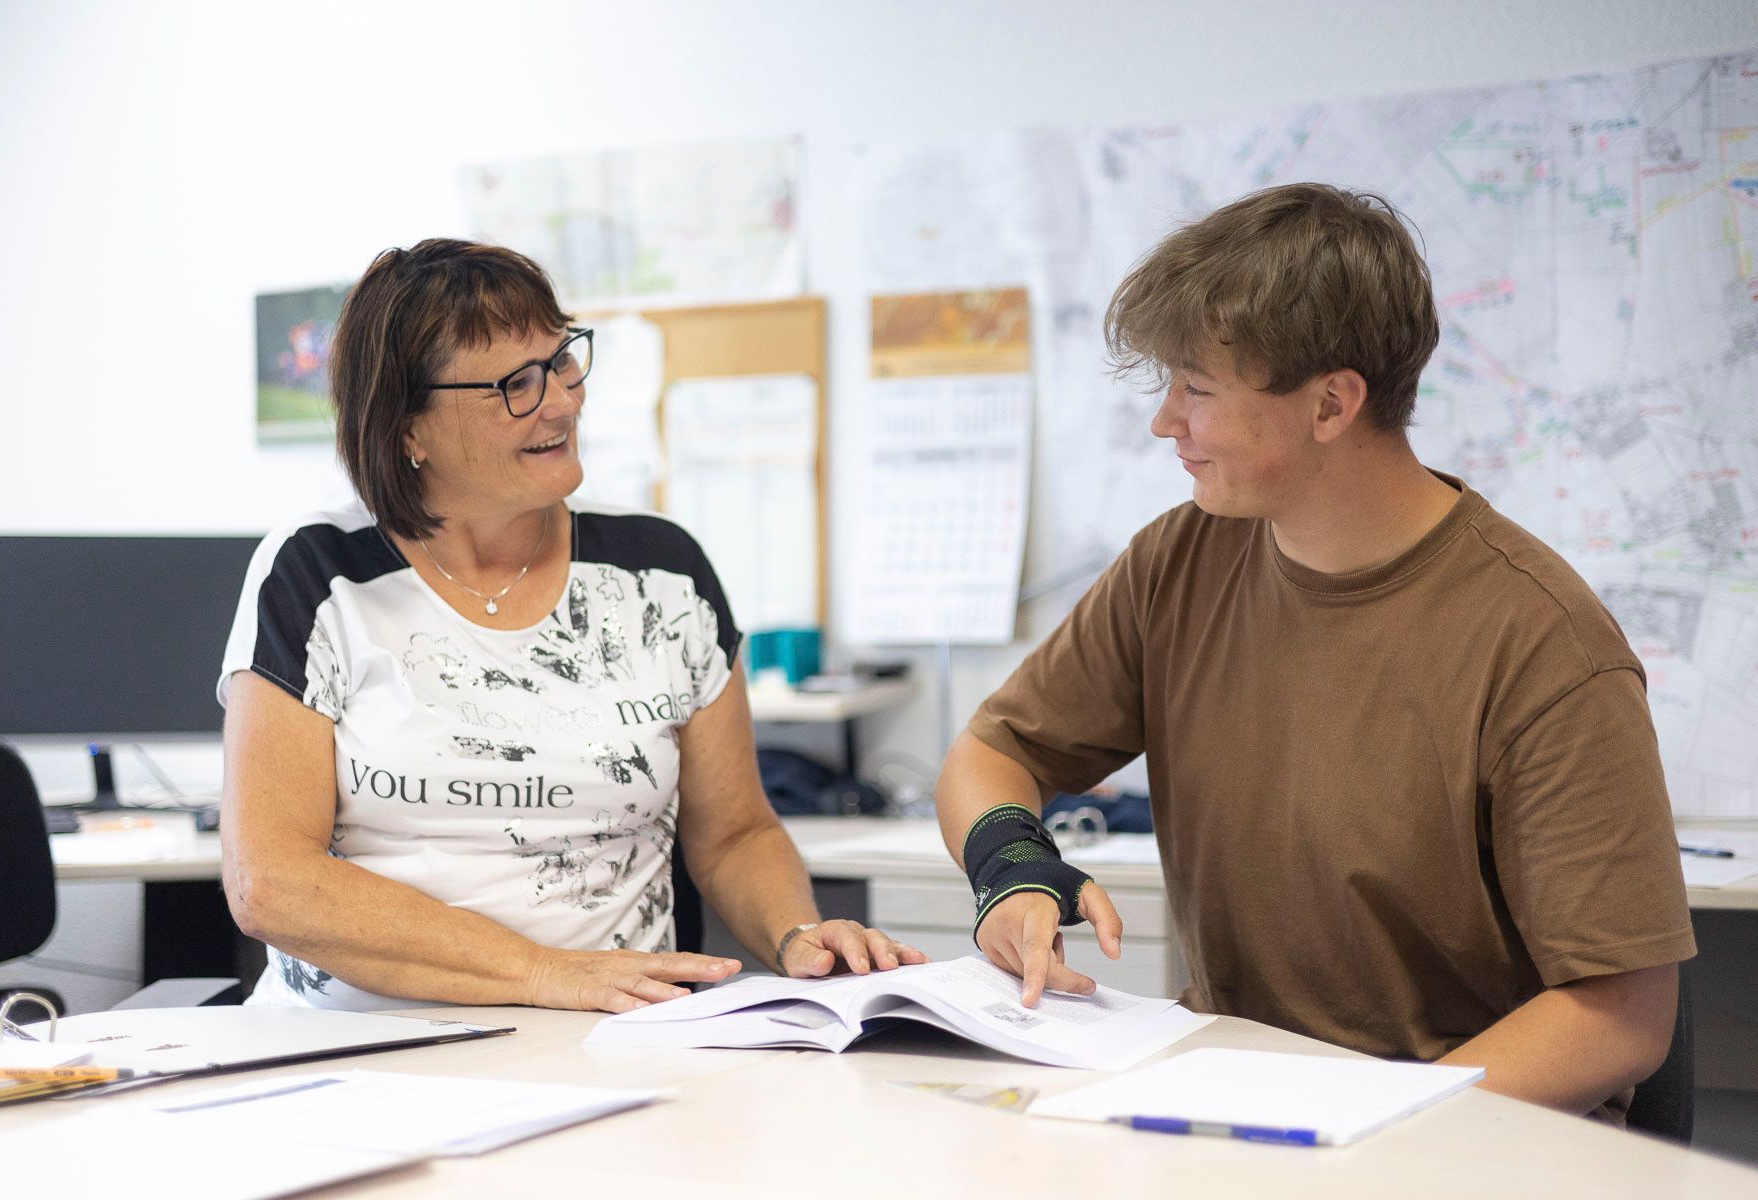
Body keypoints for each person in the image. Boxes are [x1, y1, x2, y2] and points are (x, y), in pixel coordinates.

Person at [935, 183, 1694, 1121]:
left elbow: (1620, 1019)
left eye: (1197, 390)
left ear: (1332, 404)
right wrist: (1012, 867)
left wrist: (1362, 1133)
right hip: (1233, 1110)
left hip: (1454, 1140)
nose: (1165, 421)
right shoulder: (1179, 561)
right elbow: (993, 751)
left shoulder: (1543, 643)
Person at [220, 238, 923, 1013]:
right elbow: (271, 883)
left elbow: (735, 834)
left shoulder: (662, 573)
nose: (561, 401)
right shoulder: (318, 574)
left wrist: (799, 935)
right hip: (356, 1046)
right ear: (407, 427)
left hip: (613, 1035)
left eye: (560, 361)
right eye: (515, 384)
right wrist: (540, 971)